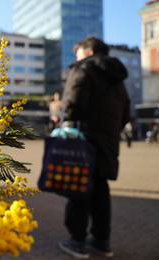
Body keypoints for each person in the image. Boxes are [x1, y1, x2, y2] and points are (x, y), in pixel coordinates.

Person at [58, 37, 130, 259]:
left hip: (83, 138)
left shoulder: (84, 68)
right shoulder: (117, 78)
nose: (76, 57)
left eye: (78, 52)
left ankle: (77, 241)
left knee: (78, 188)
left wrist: (66, 124)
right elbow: (126, 112)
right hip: (108, 142)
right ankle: (101, 241)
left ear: (88, 52)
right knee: (100, 189)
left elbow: (73, 101)